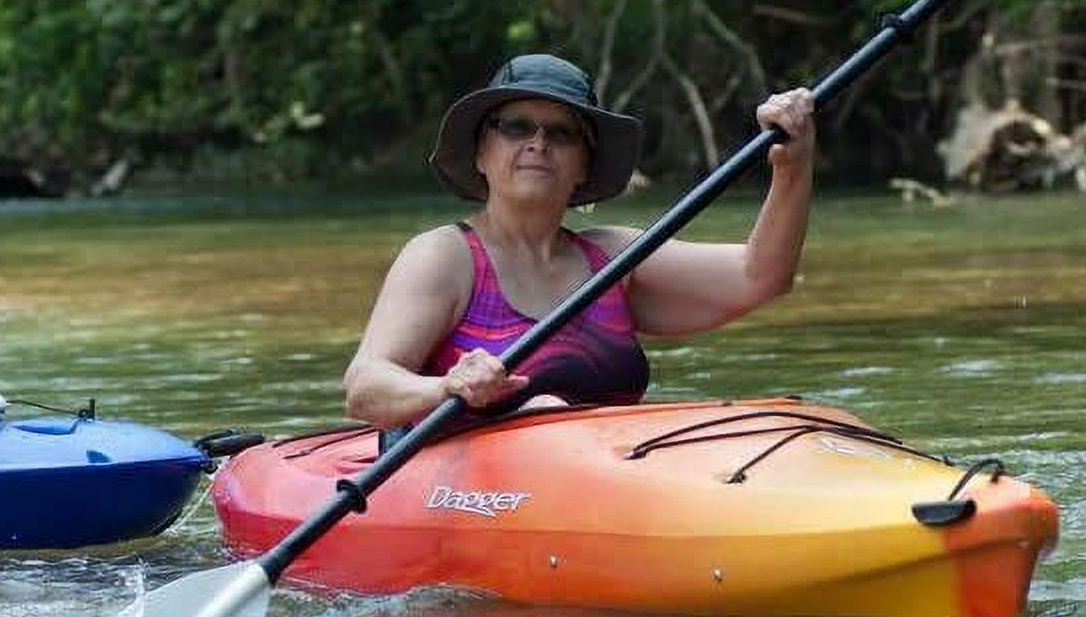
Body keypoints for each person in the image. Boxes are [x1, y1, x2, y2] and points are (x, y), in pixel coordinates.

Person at [343, 53, 815, 428]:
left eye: (562, 133)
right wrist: (447, 387)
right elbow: (364, 387)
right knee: (543, 409)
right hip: (471, 487)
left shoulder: (613, 259)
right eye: (516, 127)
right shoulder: (444, 256)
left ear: (584, 165)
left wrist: (792, 164)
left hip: (605, 477)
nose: (538, 143)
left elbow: (762, 276)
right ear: (481, 153)